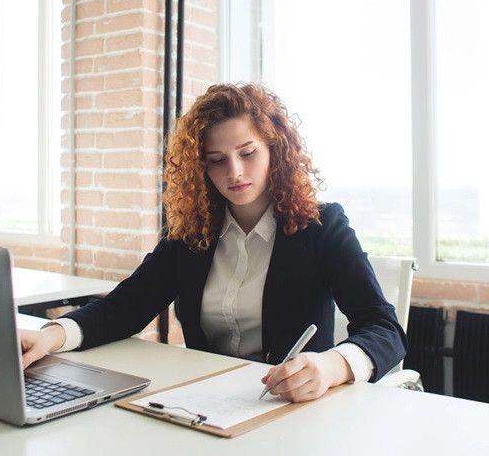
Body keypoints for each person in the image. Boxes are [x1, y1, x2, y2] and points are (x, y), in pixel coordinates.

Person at [20, 83, 406, 402]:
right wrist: (50, 336)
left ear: (277, 151)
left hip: (293, 409)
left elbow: (384, 328)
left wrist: (332, 366)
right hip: (208, 404)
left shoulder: (321, 226)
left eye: (248, 153)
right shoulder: (191, 233)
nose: (234, 172)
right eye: (216, 159)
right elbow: (126, 306)